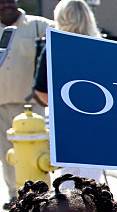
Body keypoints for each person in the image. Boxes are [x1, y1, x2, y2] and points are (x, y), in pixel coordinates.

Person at [32, 0, 104, 185]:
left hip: (65, 123)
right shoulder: (101, 49)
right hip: (98, 120)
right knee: (92, 180)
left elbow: (41, 90)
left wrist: (60, 105)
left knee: (67, 182)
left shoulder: (54, 48)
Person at [0, 0, 53, 200]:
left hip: (30, 105)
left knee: (35, 154)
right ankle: (15, 197)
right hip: (2, 104)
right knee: (8, 156)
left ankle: (38, 196)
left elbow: (62, 39)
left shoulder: (38, 25)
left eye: (9, 1)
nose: (6, 5)